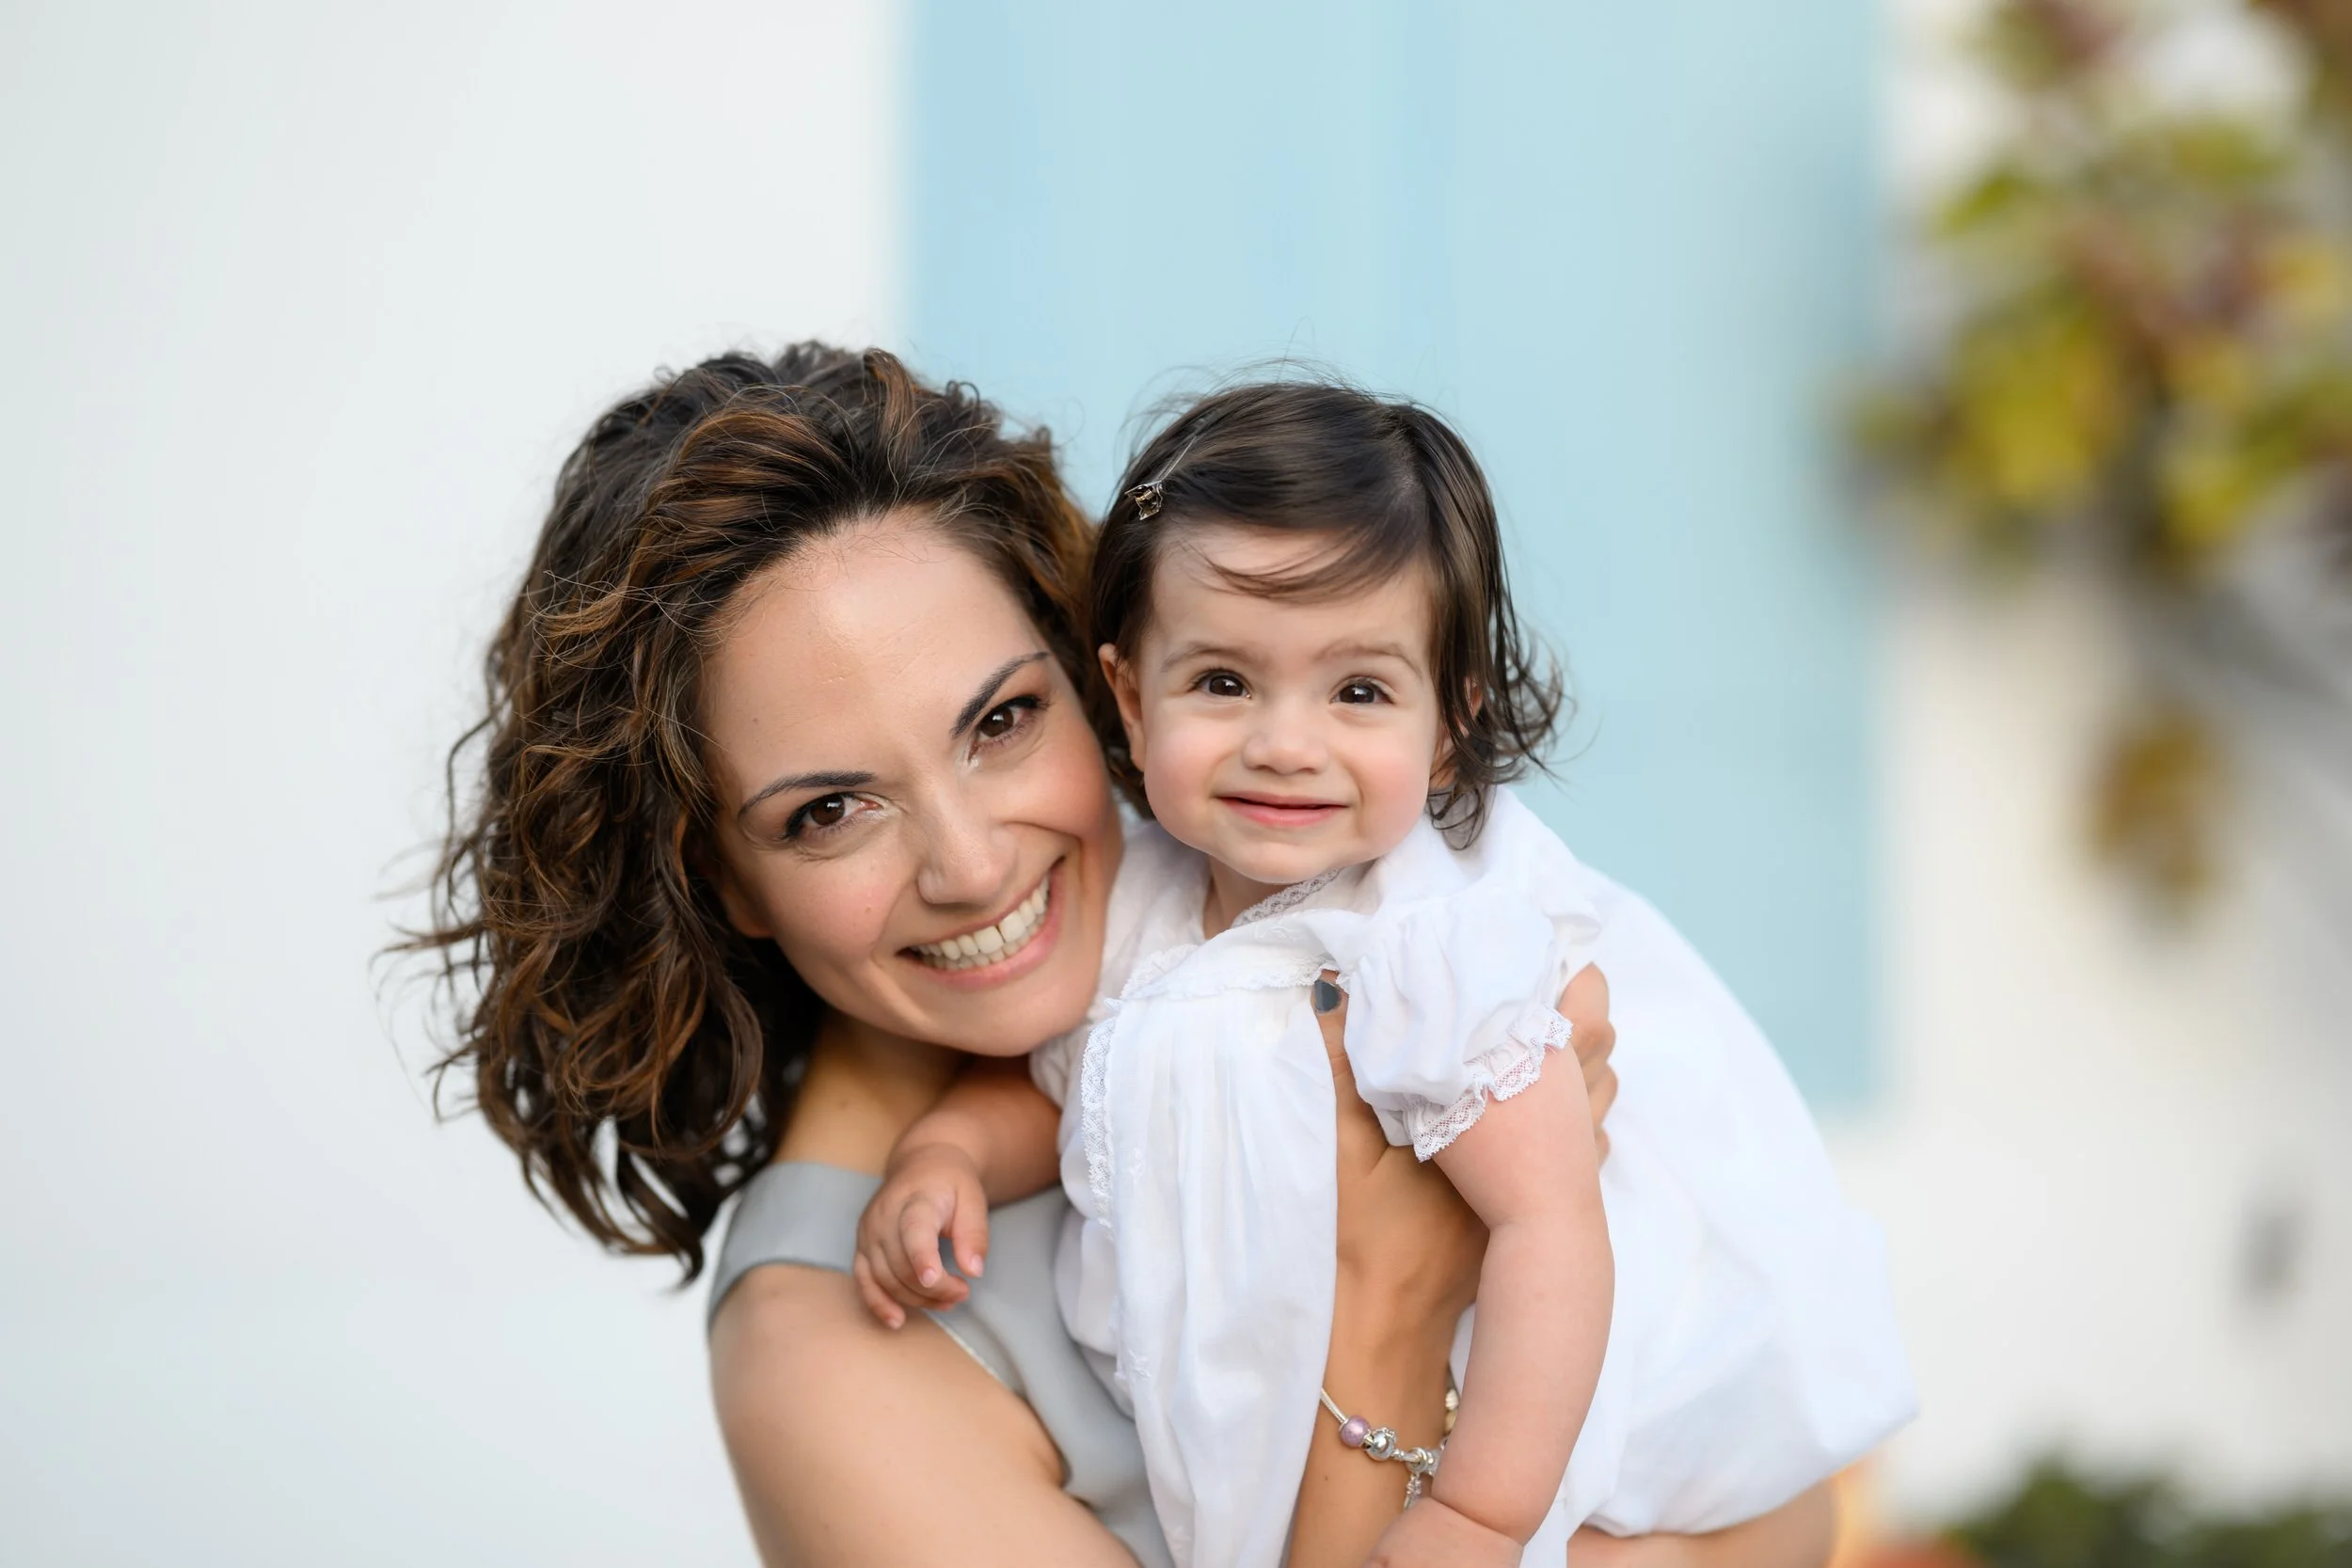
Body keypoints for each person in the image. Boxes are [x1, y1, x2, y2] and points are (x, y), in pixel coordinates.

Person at [414, 343, 1848, 1568]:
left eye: (999, 721)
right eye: (830, 808)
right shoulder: (832, 1349)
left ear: (1089, 669)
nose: (973, 861)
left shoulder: (1313, 935)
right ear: (718, 870)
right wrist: (1394, 1295)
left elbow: (1778, 1463)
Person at [851, 380, 1915, 1566]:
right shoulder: (1136, 901)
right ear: (1129, 698)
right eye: (1222, 682)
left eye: (1358, 691)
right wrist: (946, 1154)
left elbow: (1546, 1225)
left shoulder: (1424, 945)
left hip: (1500, 1432)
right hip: (1277, 1434)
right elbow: (1064, 1088)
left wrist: (1478, 1510)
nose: (1285, 741)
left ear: (1447, 723)